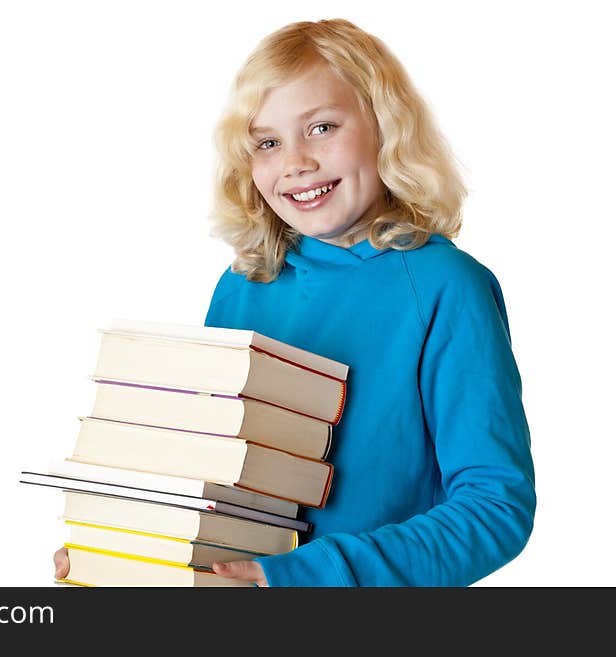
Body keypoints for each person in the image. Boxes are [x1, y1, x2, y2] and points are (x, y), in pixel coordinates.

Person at [54, 18, 535, 586]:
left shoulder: (445, 287)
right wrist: (127, 545)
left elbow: (495, 508)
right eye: (267, 142)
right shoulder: (243, 283)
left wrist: (305, 576)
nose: (295, 162)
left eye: (322, 127)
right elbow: (202, 469)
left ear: (386, 126)